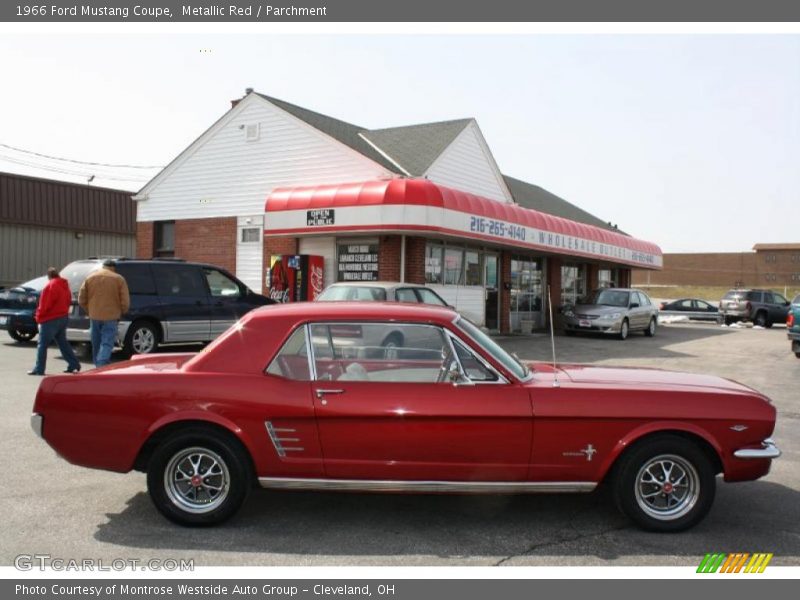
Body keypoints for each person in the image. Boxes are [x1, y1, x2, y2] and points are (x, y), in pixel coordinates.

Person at [28, 267, 81, 376]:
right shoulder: (65, 286)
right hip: (62, 317)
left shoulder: (50, 286)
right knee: (63, 343)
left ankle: (39, 368)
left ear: (49, 276)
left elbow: (45, 305)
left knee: (42, 345)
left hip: (50, 319)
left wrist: (38, 316)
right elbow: (68, 301)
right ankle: (74, 364)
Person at [78, 259, 130, 367]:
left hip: (94, 316)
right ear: (113, 268)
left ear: (103, 266)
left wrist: (89, 310)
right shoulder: (119, 279)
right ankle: (101, 364)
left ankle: (97, 365)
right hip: (111, 316)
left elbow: (81, 299)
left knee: (96, 342)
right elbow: (125, 301)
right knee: (107, 342)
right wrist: (122, 312)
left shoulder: (90, 277)